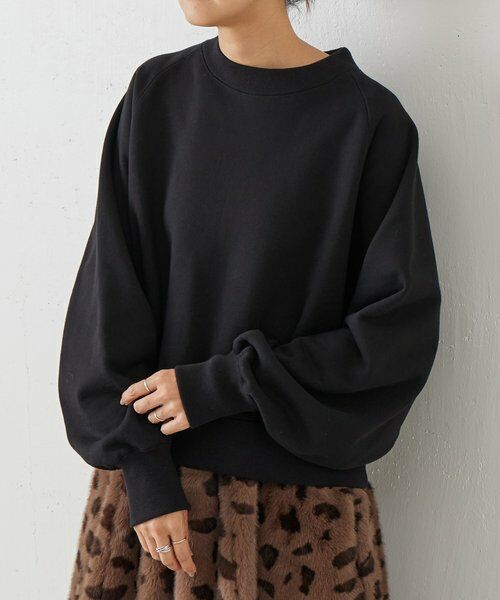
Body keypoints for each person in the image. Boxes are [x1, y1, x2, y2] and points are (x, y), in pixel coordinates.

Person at [59, 0, 441, 597]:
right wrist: (145, 473)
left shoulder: (367, 120)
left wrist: (225, 383)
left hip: (306, 522)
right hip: (156, 512)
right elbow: (108, 301)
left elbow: (395, 340)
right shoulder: (157, 96)